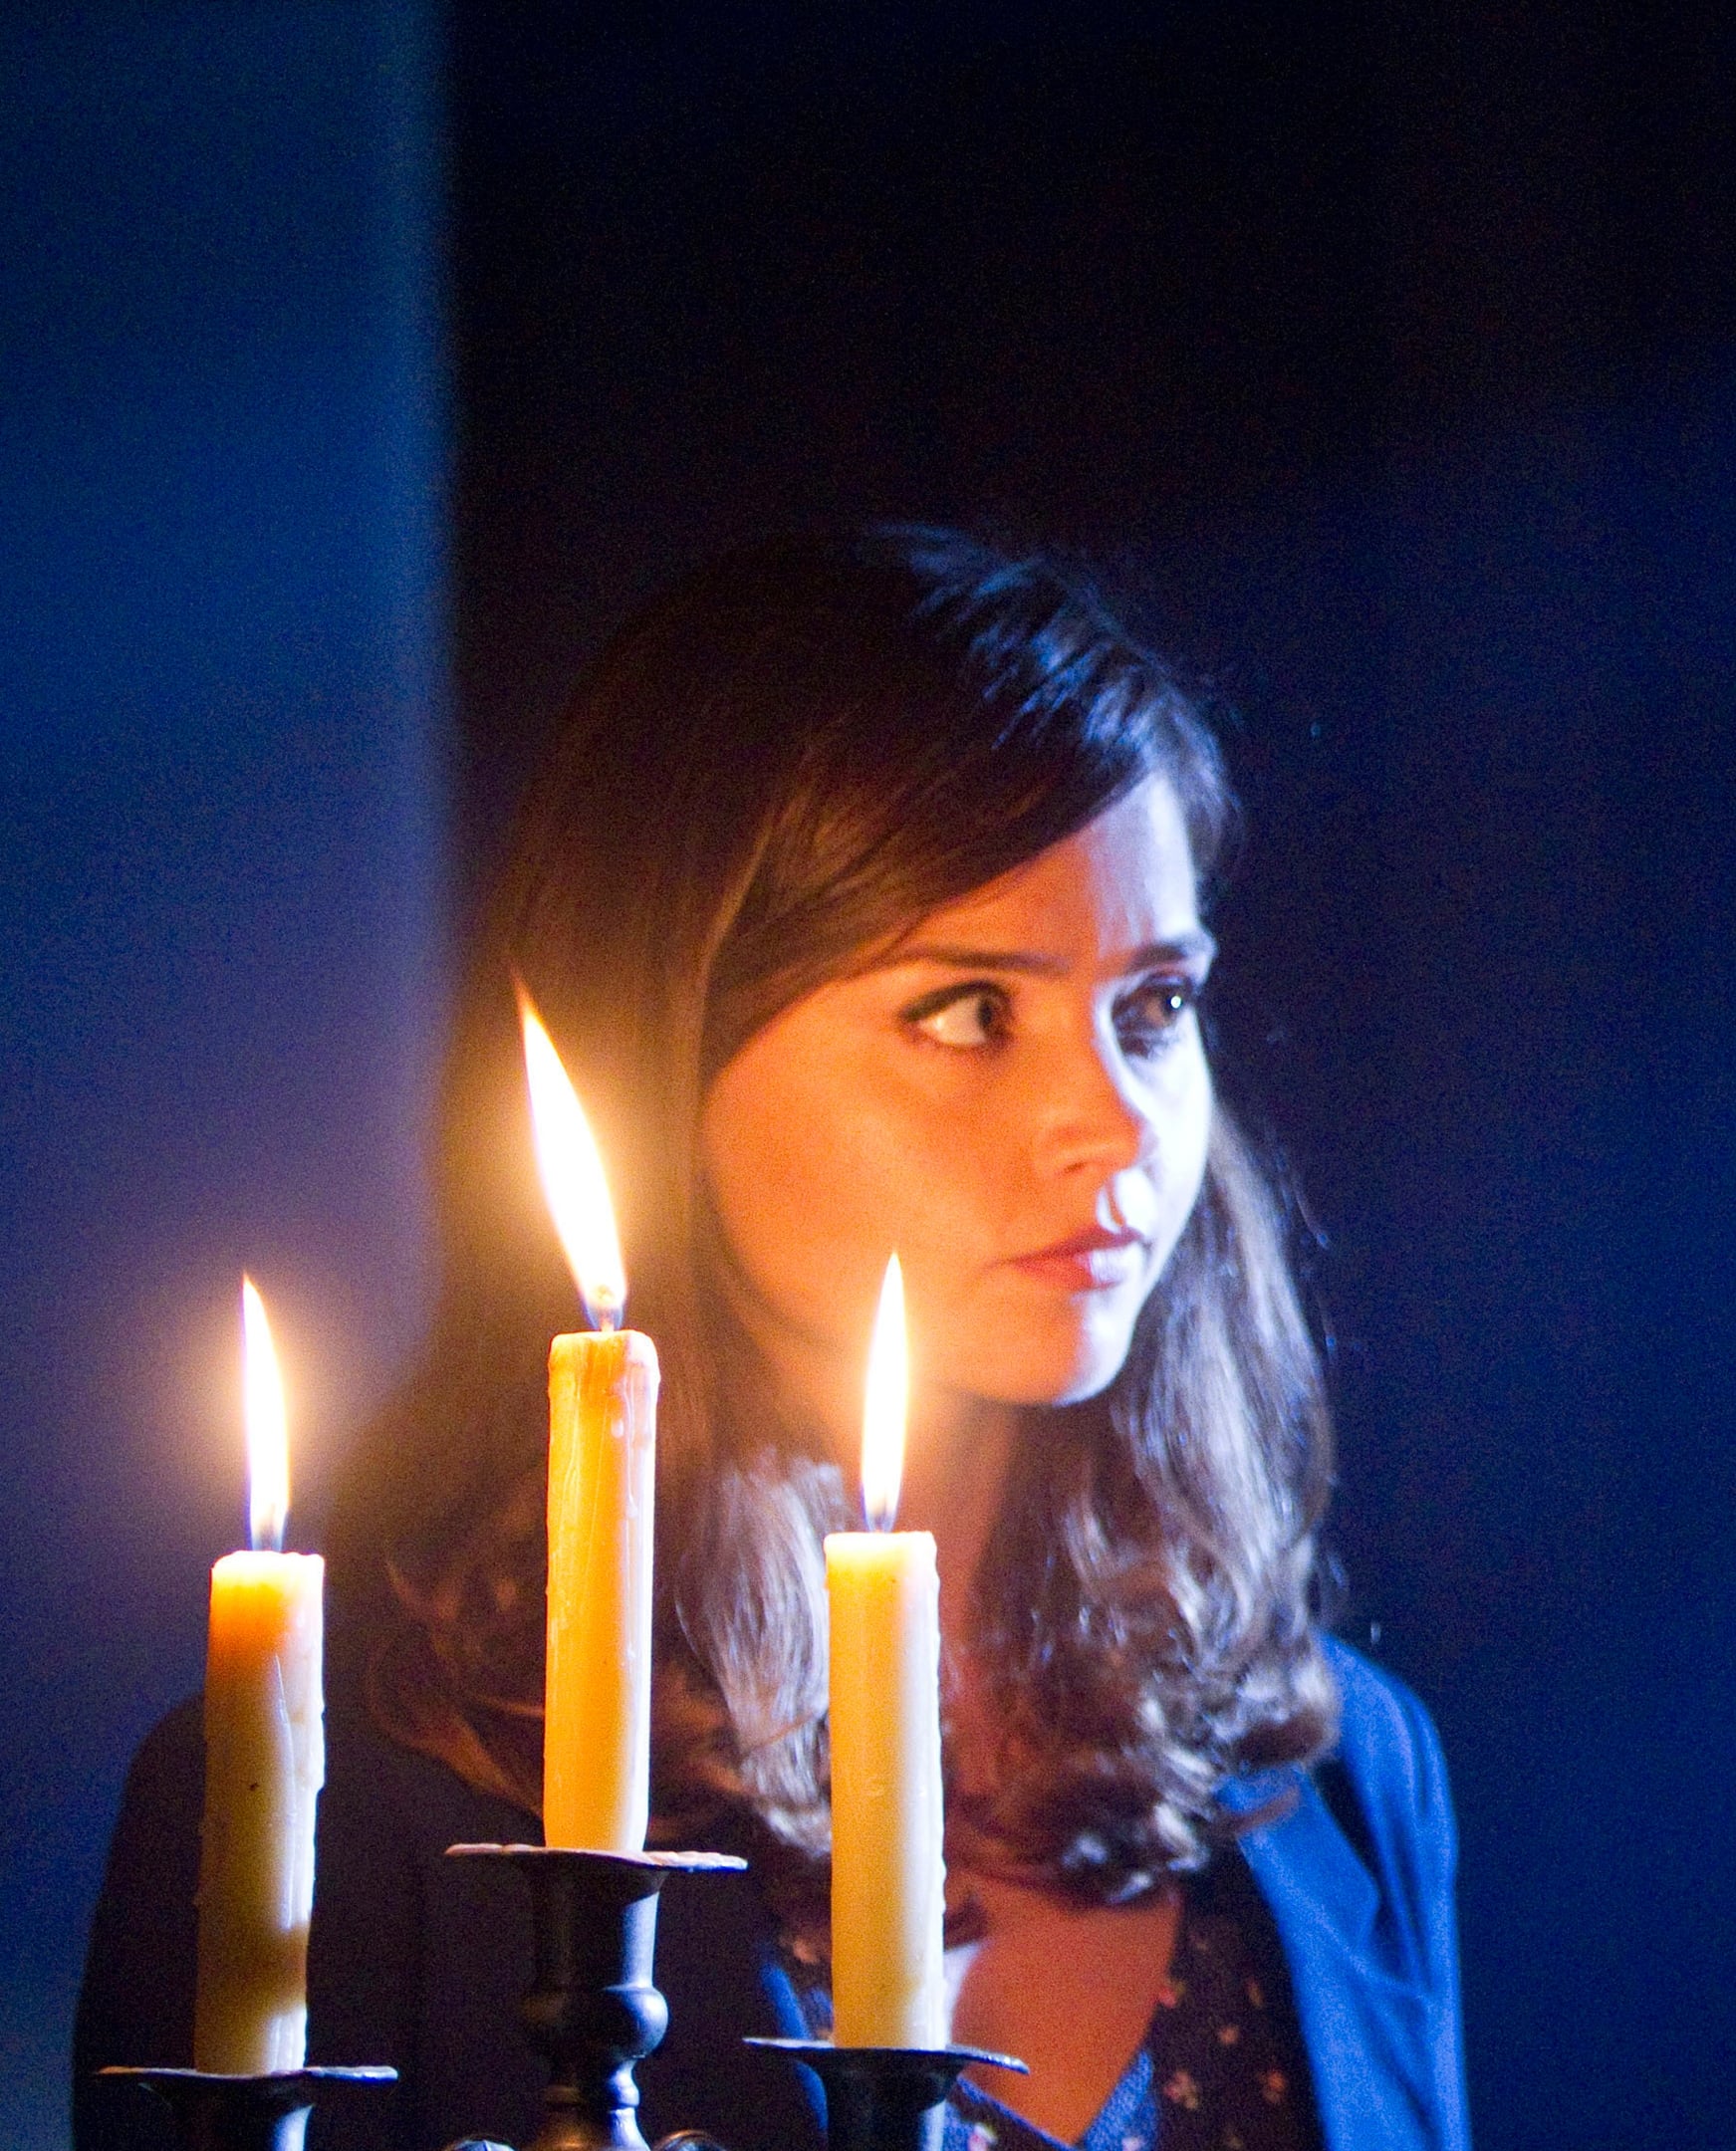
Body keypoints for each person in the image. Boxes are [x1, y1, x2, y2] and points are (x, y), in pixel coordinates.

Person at [75, 529, 1466, 2151]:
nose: (1113, 1124)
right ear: (673, 1041)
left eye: (1152, 1009)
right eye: (970, 1010)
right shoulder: (340, 1816)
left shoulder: (1337, 1768)